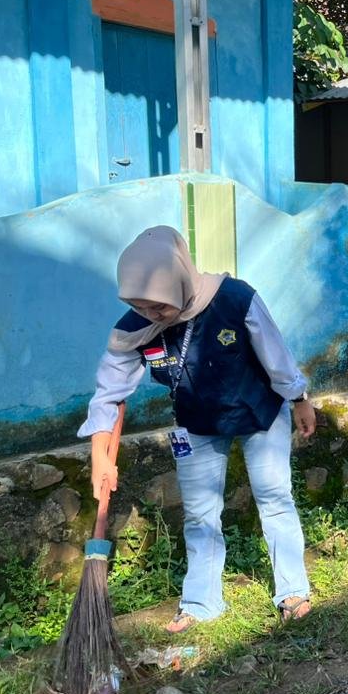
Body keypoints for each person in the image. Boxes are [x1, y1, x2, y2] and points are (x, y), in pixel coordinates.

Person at [79, 226, 316, 633]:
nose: (151, 314)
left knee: (274, 498)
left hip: (259, 411)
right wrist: (100, 456)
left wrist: (299, 398)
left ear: (181, 281)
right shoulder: (135, 327)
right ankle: (202, 603)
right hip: (197, 423)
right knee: (200, 515)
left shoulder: (234, 298)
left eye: (159, 305)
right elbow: (109, 394)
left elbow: (276, 355)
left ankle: (292, 591)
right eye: (139, 305)